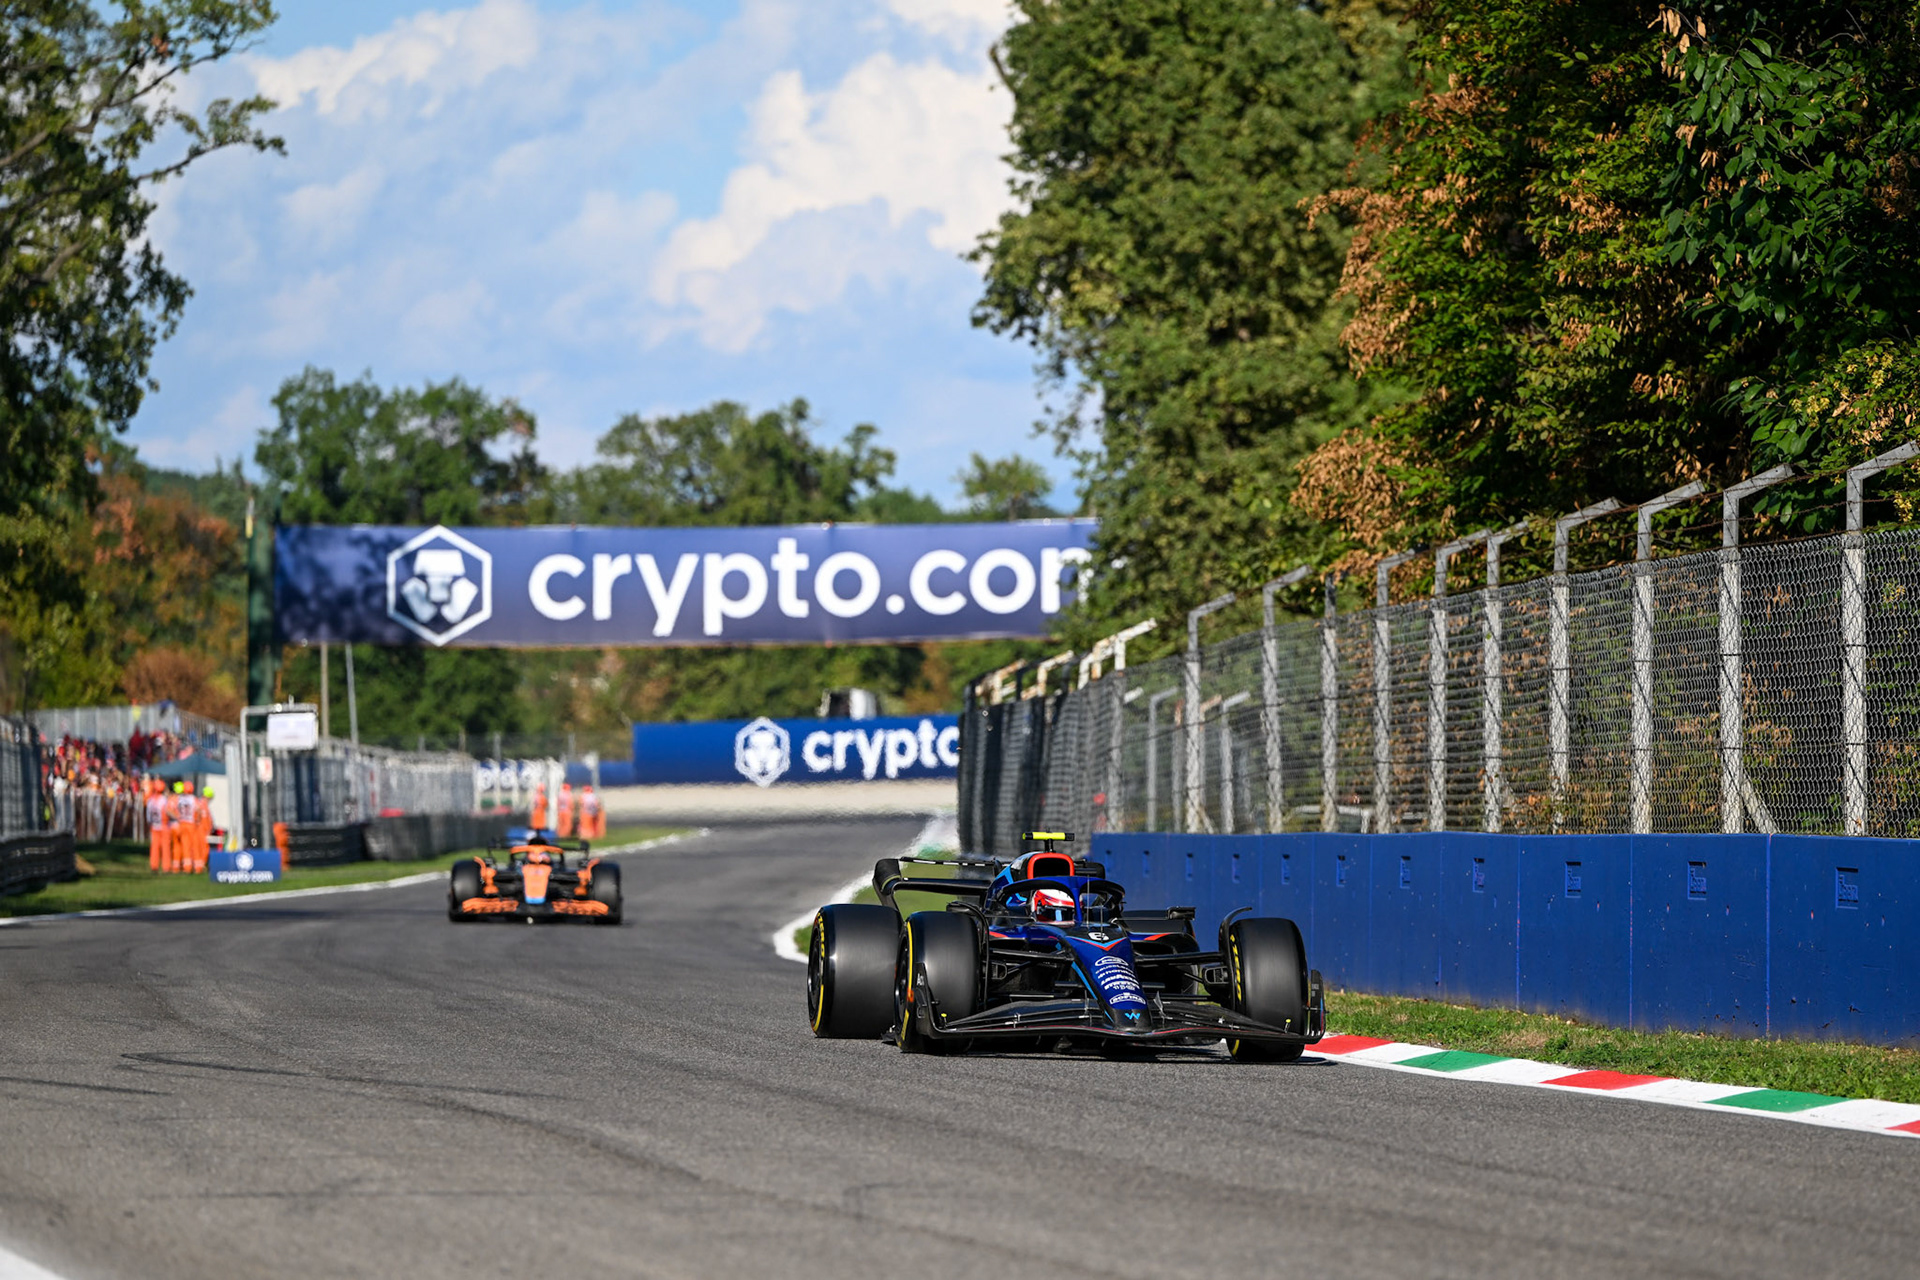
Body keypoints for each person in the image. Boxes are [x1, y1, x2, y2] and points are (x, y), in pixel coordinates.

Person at [146, 780, 170, 872]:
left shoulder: (150, 800)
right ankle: (166, 867)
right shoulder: (163, 800)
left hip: (154, 826)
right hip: (163, 825)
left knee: (154, 847)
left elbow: (148, 815)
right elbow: (167, 811)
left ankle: (154, 865)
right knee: (165, 848)